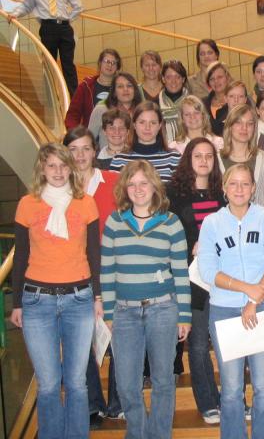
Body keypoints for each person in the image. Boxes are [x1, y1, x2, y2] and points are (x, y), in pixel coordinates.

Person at [10, 142, 100, 438]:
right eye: (52, 165)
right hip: (37, 301)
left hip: (79, 299)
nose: (58, 172)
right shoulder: (27, 204)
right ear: (42, 169)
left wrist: (98, 297)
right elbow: (20, 257)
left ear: (71, 169)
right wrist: (17, 303)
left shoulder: (86, 203)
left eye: (63, 166)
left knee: (76, 383)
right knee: (48, 384)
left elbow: (94, 254)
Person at [101, 160, 191, 439]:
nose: (138, 189)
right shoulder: (115, 222)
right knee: (127, 384)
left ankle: (160, 435)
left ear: (154, 186)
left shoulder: (171, 222)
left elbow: (181, 272)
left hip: (162, 310)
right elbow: (107, 271)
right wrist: (108, 313)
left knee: (163, 380)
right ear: (124, 189)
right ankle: (137, 433)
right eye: (131, 184)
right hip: (124, 313)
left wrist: (185, 316)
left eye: (143, 183)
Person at [198, 164, 264, 439]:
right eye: (233, 184)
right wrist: (248, 289)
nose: (239, 189)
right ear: (224, 188)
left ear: (253, 188)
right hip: (224, 311)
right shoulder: (211, 223)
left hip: (263, 308)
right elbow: (207, 271)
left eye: (245, 183)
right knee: (232, 390)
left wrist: (254, 300)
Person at [63, 127, 123, 426]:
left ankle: (118, 402)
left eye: (86, 148)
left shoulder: (113, 181)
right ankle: (92, 403)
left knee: (119, 336)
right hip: (74, 274)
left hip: (113, 271)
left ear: (95, 150)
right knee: (81, 340)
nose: (80, 155)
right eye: (73, 149)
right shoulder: (59, 189)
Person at [167, 137, 226, 424]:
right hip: (192, 280)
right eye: (198, 156)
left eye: (209, 156)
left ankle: (233, 399)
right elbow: (168, 236)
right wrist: (192, 245)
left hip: (224, 278)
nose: (204, 161)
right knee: (200, 344)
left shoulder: (223, 193)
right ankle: (208, 403)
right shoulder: (174, 194)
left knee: (227, 343)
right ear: (188, 159)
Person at [7, 0, 82, 96]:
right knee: (49, 66)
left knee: (68, 65)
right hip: (48, 29)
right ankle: (51, 98)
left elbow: (78, 7)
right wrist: (14, 14)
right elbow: (26, 6)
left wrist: (67, 19)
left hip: (65, 29)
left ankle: (75, 98)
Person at [218, 104, 264, 207]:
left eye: (249, 124)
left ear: (254, 128)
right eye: (238, 122)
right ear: (229, 126)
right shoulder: (216, 160)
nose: (244, 128)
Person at [109, 101, 181, 182]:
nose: (147, 127)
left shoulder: (174, 158)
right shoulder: (119, 160)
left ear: (159, 126)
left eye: (153, 123)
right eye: (142, 122)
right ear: (134, 125)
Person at [65, 49, 121, 129]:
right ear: (100, 63)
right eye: (107, 61)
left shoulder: (122, 88)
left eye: (113, 63)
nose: (110, 65)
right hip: (91, 134)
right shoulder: (85, 86)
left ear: (117, 68)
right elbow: (72, 116)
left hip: (117, 133)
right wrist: (77, 134)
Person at [87, 71, 142, 149]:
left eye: (129, 86)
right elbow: (88, 140)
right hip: (108, 156)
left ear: (135, 90)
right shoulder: (101, 110)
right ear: (114, 92)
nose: (125, 89)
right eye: (120, 86)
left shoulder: (141, 113)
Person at [159, 59, 190, 143]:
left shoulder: (193, 103)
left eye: (177, 77)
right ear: (163, 79)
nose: (173, 81)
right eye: (169, 77)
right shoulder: (155, 105)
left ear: (183, 79)